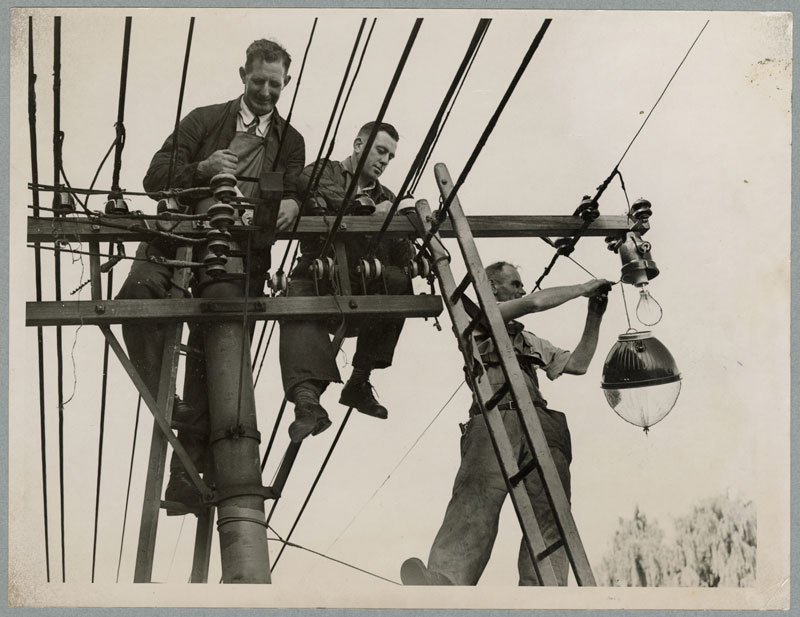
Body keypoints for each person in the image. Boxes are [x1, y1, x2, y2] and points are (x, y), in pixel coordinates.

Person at [116, 39, 306, 510]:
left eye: (275, 84)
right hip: (177, 236)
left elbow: (301, 185)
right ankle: (165, 397)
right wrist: (201, 167)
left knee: (214, 340)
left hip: (238, 253)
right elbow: (154, 176)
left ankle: (187, 473)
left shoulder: (290, 141)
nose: (265, 92)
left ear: (286, 83)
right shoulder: (203, 119)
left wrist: (293, 202)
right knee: (136, 299)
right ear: (243, 74)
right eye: (258, 81)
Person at [401, 262, 613, 585]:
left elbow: (580, 363)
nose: (521, 290)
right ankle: (445, 581)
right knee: (475, 501)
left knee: (552, 513)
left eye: (521, 284)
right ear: (492, 287)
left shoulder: (528, 340)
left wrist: (594, 314)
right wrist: (583, 288)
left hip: (539, 423)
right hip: (493, 418)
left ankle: (544, 590)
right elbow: (533, 303)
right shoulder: (477, 320)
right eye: (514, 283)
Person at [279, 122, 414, 443]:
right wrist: (367, 212)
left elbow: (402, 253)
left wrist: (402, 219)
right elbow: (308, 188)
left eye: (390, 157)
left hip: (363, 285)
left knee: (399, 280)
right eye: (380, 151)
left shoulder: (387, 198)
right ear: (358, 145)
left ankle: (359, 381)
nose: (384, 161)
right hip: (319, 277)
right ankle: (307, 403)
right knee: (295, 298)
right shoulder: (325, 171)